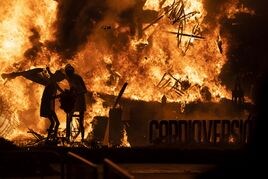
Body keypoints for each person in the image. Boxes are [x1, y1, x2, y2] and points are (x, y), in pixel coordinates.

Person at [1, 67, 65, 141]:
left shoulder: (53, 83)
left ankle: (50, 138)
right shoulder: (51, 83)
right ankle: (50, 138)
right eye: (60, 78)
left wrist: (65, 93)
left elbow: (59, 89)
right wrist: (59, 96)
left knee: (55, 123)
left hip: (49, 105)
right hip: (47, 105)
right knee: (55, 123)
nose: (61, 80)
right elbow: (50, 97)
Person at [64, 64, 87, 142]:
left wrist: (78, 93)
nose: (68, 74)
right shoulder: (69, 78)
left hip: (80, 99)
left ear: (71, 72)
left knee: (81, 120)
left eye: (69, 72)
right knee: (69, 118)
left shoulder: (77, 77)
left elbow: (85, 90)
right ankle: (68, 137)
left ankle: (83, 138)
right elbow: (72, 89)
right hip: (75, 99)